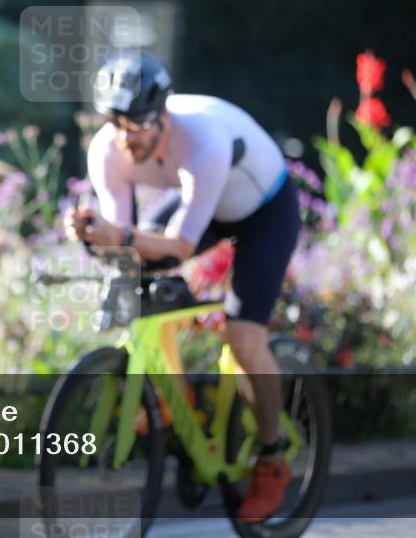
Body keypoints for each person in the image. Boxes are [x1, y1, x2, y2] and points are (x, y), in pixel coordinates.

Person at [63, 53, 302, 523]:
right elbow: (127, 247)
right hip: (208, 205)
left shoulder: (203, 141)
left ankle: (272, 455)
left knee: (243, 338)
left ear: (163, 117)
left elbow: (178, 248)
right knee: (142, 277)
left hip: (265, 212)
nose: (126, 138)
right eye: (115, 123)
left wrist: (121, 236)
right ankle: (174, 398)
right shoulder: (107, 151)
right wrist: (94, 237)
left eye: (137, 125)